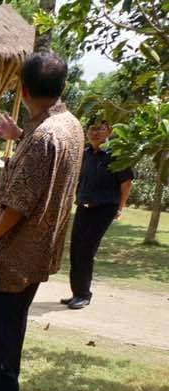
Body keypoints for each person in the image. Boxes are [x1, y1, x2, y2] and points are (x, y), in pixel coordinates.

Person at [0, 52, 83, 391]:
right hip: (36, 250)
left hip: (12, 252)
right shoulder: (68, 125)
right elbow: (46, 153)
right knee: (4, 324)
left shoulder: (44, 136)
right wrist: (19, 135)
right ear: (62, 87)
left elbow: (19, 205)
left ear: (23, 90)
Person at [61, 118, 134, 310]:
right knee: (76, 250)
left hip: (104, 209)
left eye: (100, 129)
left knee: (85, 250)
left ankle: (83, 295)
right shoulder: (85, 154)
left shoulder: (116, 155)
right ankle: (76, 293)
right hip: (83, 207)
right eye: (91, 129)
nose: (94, 132)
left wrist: (120, 207)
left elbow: (126, 183)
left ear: (109, 132)